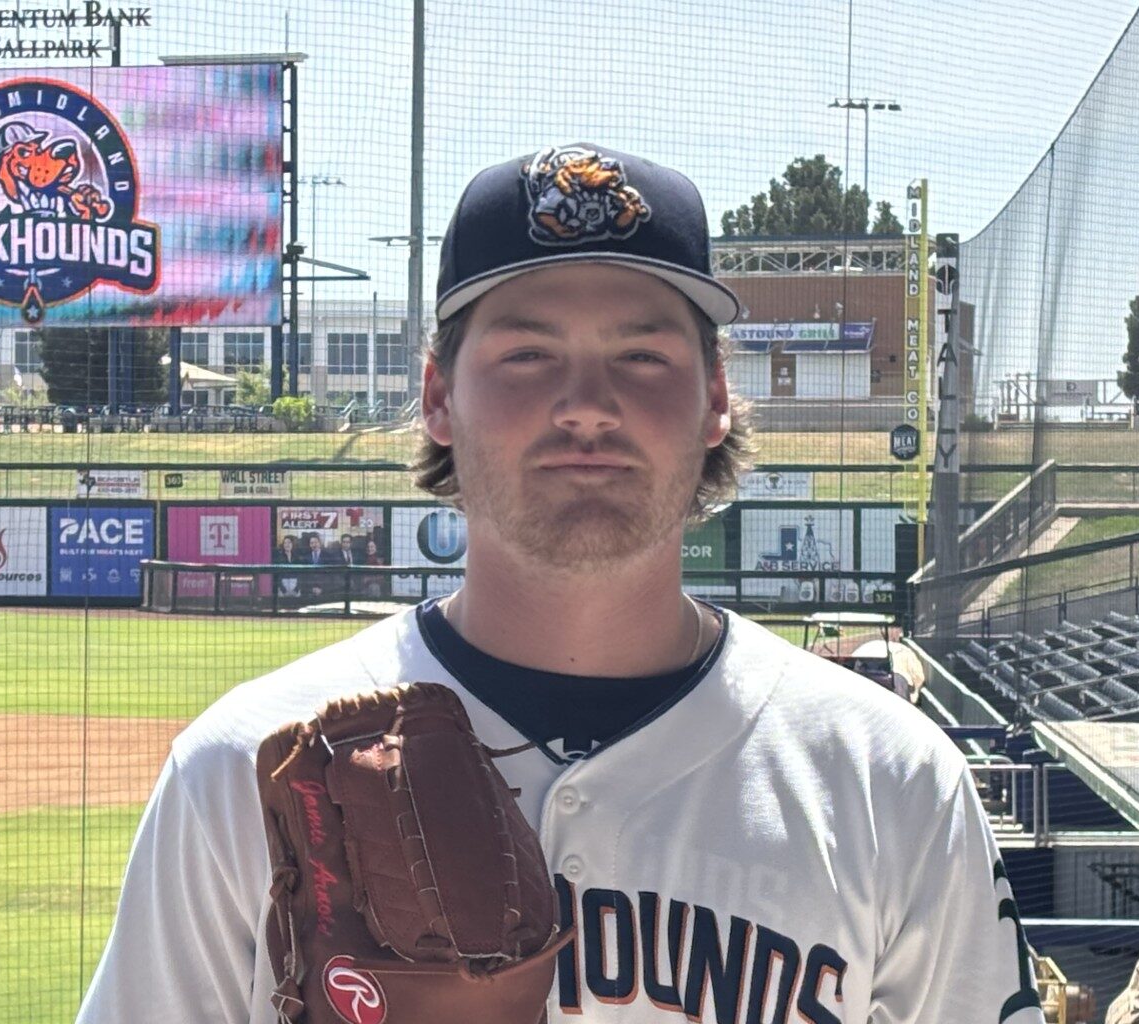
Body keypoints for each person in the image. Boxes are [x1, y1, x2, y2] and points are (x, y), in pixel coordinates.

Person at [78, 144, 1044, 1023]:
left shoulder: (893, 785)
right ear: (439, 397)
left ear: (715, 398)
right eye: (528, 354)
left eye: (642, 355)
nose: (587, 405)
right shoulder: (246, 771)